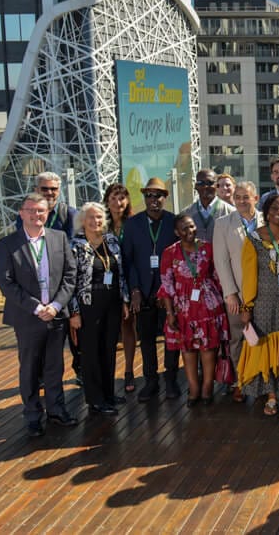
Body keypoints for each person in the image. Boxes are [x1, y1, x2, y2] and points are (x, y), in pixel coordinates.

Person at [0, 193, 79, 436]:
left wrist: (55, 306)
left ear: (47, 214)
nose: (36, 215)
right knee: (30, 368)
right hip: (27, 316)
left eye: (41, 210)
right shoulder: (7, 244)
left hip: (55, 314)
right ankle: (33, 416)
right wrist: (35, 307)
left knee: (55, 366)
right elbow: (6, 282)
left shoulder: (59, 238)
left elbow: (70, 275)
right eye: (31, 210)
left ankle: (56, 411)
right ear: (21, 213)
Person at [237, 193, 279, 415]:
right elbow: (248, 275)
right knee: (265, 348)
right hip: (263, 304)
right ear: (266, 212)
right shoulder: (254, 239)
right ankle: (271, 395)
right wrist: (247, 306)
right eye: (275, 208)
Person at [158, 214, 229, 407]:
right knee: (187, 349)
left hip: (208, 304)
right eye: (184, 229)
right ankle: (193, 388)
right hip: (183, 307)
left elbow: (217, 276)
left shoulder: (207, 248)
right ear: (176, 232)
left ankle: (207, 388)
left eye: (191, 227)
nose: (189, 232)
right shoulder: (169, 252)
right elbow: (166, 284)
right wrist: (170, 312)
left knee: (209, 348)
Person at [122, 177, 181, 401]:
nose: (153, 199)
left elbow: (178, 258)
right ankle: (150, 381)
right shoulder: (133, 224)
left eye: (158, 195)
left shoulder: (173, 223)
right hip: (143, 293)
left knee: (171, 339)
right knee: (146, 340)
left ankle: (171, 380)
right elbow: (129, 260)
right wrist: (135, 289)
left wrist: (168, 291)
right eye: (149, 195)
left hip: (168, 294)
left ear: (165, 198)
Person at [70, 202, 129, 416]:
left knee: (108, 348)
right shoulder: (75, 246)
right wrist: (74, 312)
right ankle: (95, 399)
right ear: (82, 221)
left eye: (99, 217)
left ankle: (108, 393)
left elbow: (120, 273)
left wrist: (124, 300)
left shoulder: (111, 241)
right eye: (91, 217)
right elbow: (70, 281)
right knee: (91, 352)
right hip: (88, 305)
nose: (96, 221)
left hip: (112, 302)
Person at [212, 180, 264, 402]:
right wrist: (230, 293)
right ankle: (241, 381)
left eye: (246, 197)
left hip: (265, 293)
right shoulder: (223, 224)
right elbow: (221, 260)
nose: (242, 201)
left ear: (256, 198)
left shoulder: (268, 219)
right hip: (238, 294)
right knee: (238, 339)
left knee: (262, 338)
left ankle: (263, 381)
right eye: (238, 197)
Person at [103, 182, 136, 393]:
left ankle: (129, 370)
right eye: (114, 197)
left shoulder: (133, 224)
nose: (118, 202)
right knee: (108, 329)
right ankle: (107, 373)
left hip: (130, 280)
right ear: (107, 200)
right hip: (107, 282)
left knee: (128, 326)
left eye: (122, 197)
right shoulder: (100, 223)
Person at [16, 171, 76, 238]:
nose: (49, 192)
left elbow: (73, 241)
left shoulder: (70, 214)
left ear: (59, 191)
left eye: (54, 189)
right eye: (44, 189)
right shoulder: (25, 215)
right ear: (36, 190)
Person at [186, 168, 235, 243]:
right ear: (195, 186)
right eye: (201, 183)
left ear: (217, 186)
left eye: (210, 183)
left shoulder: (232, 213)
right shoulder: (187, 214)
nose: (205, 186)